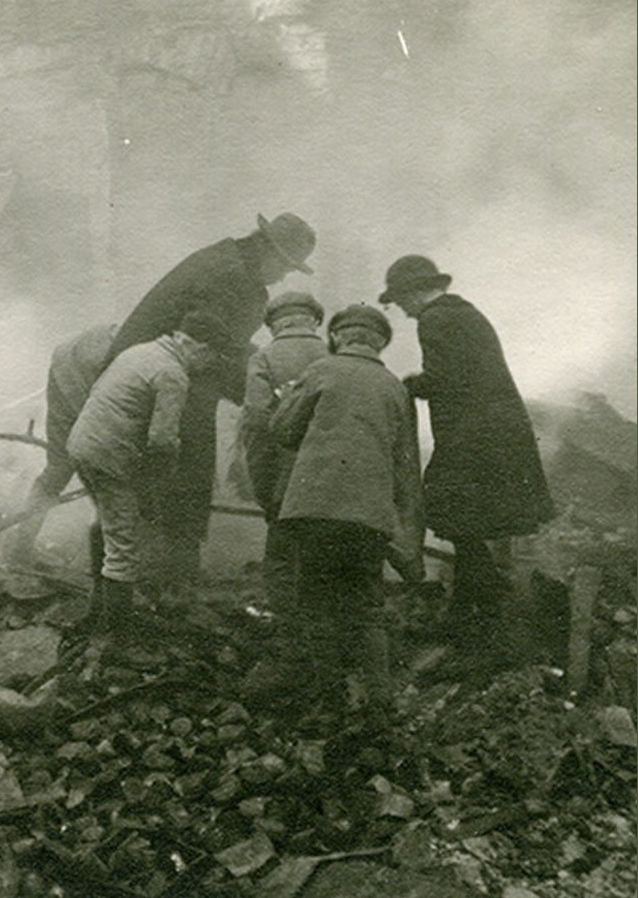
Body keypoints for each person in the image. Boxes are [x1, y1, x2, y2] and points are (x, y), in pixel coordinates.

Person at [102, 213, 317, 596]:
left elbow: (222, 346)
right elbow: (208, 339)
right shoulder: (231, 276)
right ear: (267, 248)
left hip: (151, 373)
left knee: (179, 468)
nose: (283, 276)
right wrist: (264, 391)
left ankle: (160, 574)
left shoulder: (227, 262)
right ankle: (168, 577)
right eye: (285, 266)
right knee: (188, 466)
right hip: (156, 380)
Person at [379, 255, 556, 650]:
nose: (403, 310)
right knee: (466, 525)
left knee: (455, 515)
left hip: (475, 439)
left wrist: (413, 385)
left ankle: (489, 602)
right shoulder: (463, 313)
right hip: (493, 436)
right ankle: (468, 613)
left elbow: (449, 378)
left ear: (415, 292)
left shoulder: (436, 319)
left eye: (401, 299)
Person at [265, 305, 423, 712]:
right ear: (380, 343)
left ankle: (330, 700)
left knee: (316, 602)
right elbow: (405, 465)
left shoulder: (321, 371)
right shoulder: (395, 388)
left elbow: (282, 430)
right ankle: (380, 701)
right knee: (367, 606)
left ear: (336, 337)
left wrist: (287, 400)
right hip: (369, 516)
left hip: (315, 509)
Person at [68, 311, 234, 632]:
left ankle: (96, 612)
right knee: (124, 550)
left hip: (82, 447)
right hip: (109, 459)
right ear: (199, 347)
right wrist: (158, 484)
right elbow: (162, 440)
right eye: (211, 357)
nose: (208, 365)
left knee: (106, 524)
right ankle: (118, 638)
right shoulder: (173, 374)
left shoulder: (139, 352)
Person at [4, 323, 117, 584]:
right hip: (76, 371)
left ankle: (23, 546)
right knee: (74, 469)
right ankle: (24, 547)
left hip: (78, 364)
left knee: (65, 469)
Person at [238, 292, 328, 616]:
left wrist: (264, 486)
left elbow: (256, 421)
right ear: (313, 321)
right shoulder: (332, 354)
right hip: (328, 468)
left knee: (282, 543)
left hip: (282, 470)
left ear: (274, 324)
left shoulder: (263, 358)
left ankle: (285, 618)